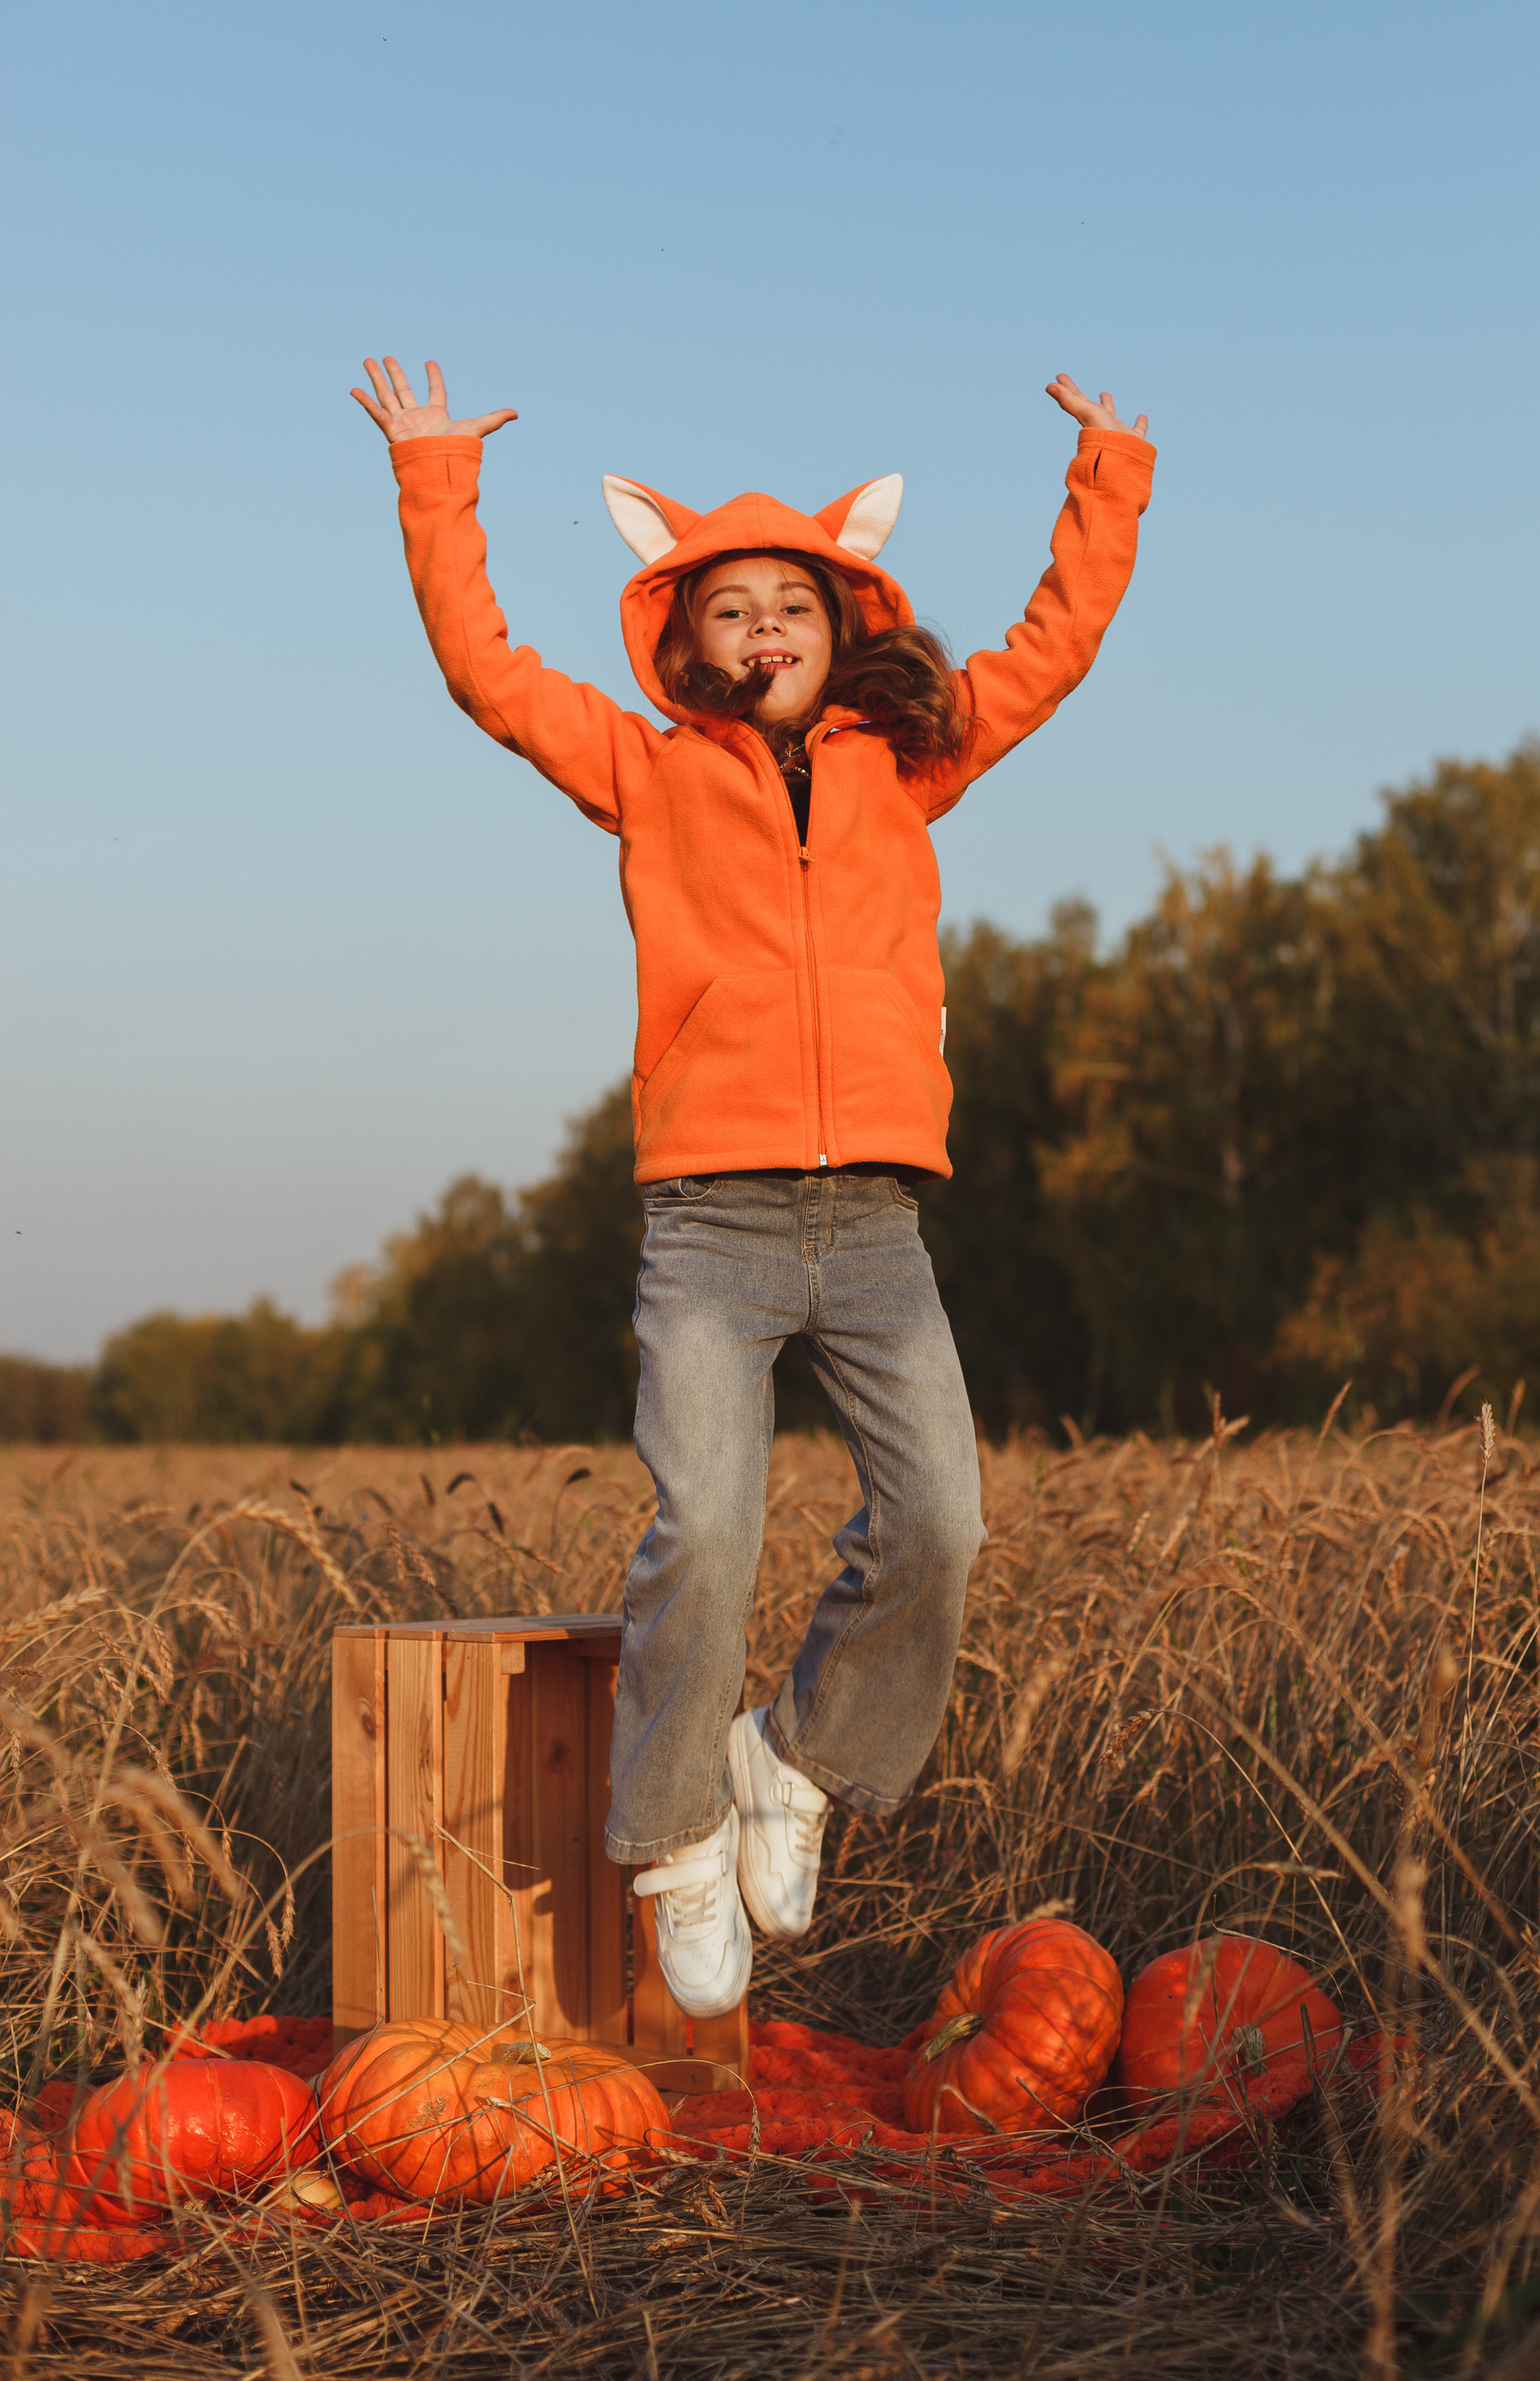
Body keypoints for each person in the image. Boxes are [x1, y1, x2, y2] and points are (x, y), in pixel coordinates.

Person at [351, 356, 1156, 2012]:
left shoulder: (909, 761)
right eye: (730, 610)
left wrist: (1110, 471)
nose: (764, 629)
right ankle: (670, 1842)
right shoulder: (644, 774)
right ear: (683, 643)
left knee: (940, 1515)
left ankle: (792, 1764)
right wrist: (437, 479)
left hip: (872, 1222)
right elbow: (486, 672)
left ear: (840, 625)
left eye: (792, 600)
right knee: (703, 1531)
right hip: (711, 1225)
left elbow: (1053, 649)